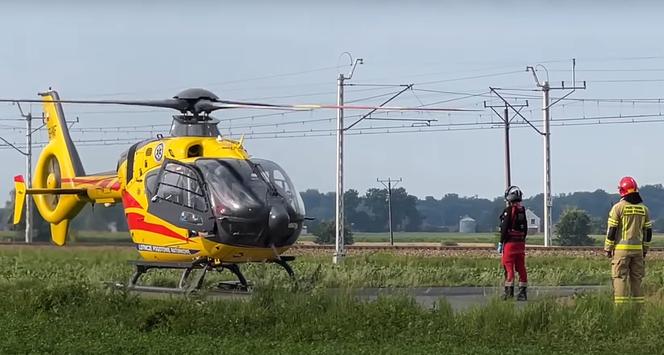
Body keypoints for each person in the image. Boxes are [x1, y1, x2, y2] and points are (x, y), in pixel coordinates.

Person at [604, 176, 652, 305]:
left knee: (620, 278)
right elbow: (648, 232)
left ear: (622, 191)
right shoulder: (644, 209)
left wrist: (608, 249)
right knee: (637, 279)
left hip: (621, 251)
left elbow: (612, 230)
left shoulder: (618, 208)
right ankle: (638, 310)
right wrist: (645, 250)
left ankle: (621, 310)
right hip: (638, 251)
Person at [498, 185, 529, 301]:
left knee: (509, 267)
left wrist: (501, 242)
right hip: (520, 244)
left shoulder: (508, 211)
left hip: (510, 244)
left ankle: (508, 292)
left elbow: (505, 228)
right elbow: (525, 229)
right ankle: (522, 293)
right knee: (521, 267)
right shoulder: (522, 211)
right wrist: (522, 241)